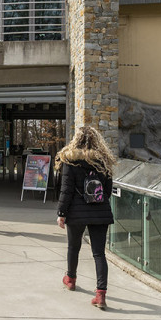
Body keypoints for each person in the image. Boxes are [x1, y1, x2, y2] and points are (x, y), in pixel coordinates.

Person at [55, 125, 116, 309]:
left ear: (76, 139)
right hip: (100, 212)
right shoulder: (104, 161)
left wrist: (61, 213)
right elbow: (107, 191)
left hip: (76, 212)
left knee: (73, 247)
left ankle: (71, 279)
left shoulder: (70, 160)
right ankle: (101, 294)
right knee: (99, 253)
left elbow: (66, 191)